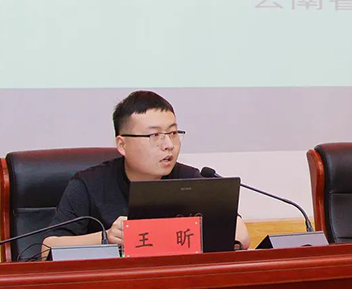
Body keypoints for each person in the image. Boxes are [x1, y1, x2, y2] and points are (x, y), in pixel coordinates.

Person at [41, 90, 250, 256]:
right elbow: (47, 249)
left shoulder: (190, 180)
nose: (169, 145)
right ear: (122, 145)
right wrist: (105, 238)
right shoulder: (88, 184)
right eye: (155, 135)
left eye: (173, 133)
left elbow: (241, 237)